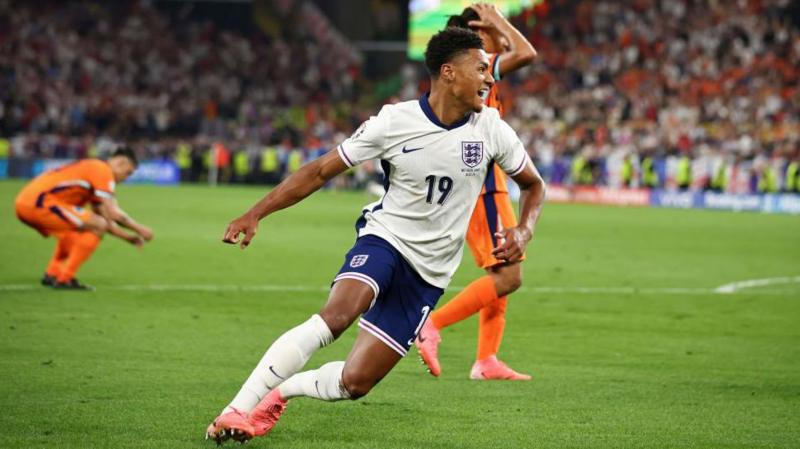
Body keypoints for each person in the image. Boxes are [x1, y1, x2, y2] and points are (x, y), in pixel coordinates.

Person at [205, 27, 546, 445]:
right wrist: (257, 212)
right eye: (481, 68)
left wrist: (524, 230)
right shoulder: (394, 121)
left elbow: (534, 184)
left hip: (430, 274)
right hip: (385, 239)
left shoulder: (491, 128)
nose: (490, 78)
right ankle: (234, 411)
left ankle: (281, 393)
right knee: (336, 317)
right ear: (448, 73)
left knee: (356, 383)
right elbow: (320, 171)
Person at [415, 3, 538, 381]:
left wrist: (496, 26)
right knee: (509, 276)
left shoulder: (472, 75)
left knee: (499, 273)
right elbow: (526, 53)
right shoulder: (476, 72)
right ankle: (430, 325)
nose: (492, 46)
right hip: (483, 187)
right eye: (484, 35)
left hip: (482, 185)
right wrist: (497, 21)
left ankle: (486, 360)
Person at [14, 148, 154, 289]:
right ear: (120, 163)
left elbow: (106, 221)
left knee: (79, 230)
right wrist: (141, 229)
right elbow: (112, 213)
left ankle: (53, 274)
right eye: (128, 173)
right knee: (95, 224)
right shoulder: (102, 170)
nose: (126, 178)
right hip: (40, 203)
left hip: (26, 202)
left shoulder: (92, 175)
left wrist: (128, 238)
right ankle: (65, 279)